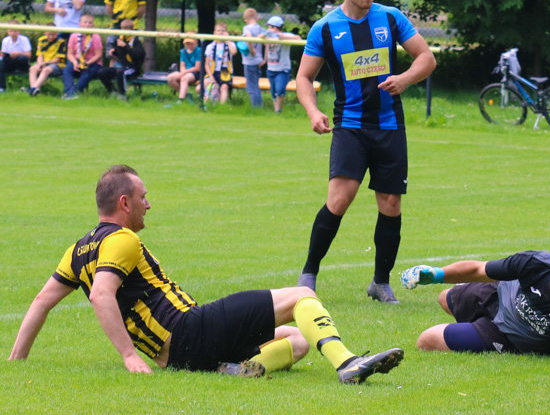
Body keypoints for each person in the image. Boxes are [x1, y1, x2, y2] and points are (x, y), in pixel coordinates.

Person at [8, 165, 404, 384]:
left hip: (174, 358)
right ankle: (347, 363)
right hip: (190, 330)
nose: (149, 204)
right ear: (124, 202)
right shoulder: (123, 239)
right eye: (143, 197)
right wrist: (128, 356)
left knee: (299, 340)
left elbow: (42, 302)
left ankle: (236, 370)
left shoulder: (78, 250)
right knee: (301, 296)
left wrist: (17, 359)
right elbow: (101, 295)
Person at [294, 0, 437, 303]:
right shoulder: (325, 28)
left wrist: (404, 78)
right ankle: (308, 273)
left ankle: (380, 282)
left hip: (389, 125)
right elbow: (303, 78)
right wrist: (312, 110)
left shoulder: (390, 18)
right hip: (350, 126)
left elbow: (427, 58)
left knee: (390, 203)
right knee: (339, 199)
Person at [399, 235, 550, 375]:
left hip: (504, 336)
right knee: (445, 298)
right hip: (496, 295)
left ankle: (474, 332)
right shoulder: (533, 262)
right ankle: (468, 324)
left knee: (427, 339)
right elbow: (478, 269)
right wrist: (437, 274)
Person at [96, 18, 144, 99]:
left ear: (132, 29)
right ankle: (112, 91)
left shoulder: (135, 41)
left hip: (131, 68)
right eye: (123, 29)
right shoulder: (121, 39)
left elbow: (138, 56)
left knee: (120, 72)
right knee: (101, 72)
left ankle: (123, 95)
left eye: (126, 29)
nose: (124, 31)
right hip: (120, 66)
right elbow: (119, 52)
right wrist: (114, 51)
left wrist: (125, 46)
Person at [263, 15, 301, 114]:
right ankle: (277, 111)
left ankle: (279, 110)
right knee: (273, 91)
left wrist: (281, 36)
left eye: (269, 26)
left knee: (280, 90)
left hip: (282, 69)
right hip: (271, 68)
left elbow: (298, 38)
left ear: (274, 27)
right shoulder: (268, 36)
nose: (268, 29)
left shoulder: (285, 35)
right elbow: (262, 40)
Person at [61, 13, 104, 99]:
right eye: (85, 22)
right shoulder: (74, 36)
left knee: (87, 73)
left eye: (90, 23)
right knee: (67, 70)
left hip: (92, 62)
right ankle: (69, 91)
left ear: (93, 25)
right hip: (77, 60)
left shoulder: (96, 37)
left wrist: (87, 63)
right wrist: (74, 62)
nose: (87, 25)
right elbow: (70, 53)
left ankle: (74, 92)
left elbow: (98, 55)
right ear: (80, 24)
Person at [24, 25, 67, 96]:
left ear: (56, 33)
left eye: (53, 34)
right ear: (44, 32)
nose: (50, 37)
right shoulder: (41, 40)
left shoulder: (61, 42)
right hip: (44, 62)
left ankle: (33, 89)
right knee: (33, 68)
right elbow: (40, 55)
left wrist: (45, 63)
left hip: (57, 64)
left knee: (46, 70)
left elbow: (57, 59)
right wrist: (40, 63)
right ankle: (35, 91)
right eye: (49, 34)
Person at [202, 21, 237, 105]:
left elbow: (234, 52)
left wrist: (228, 40)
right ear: (214, 33)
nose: (220, 32)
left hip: (225, 72)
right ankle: (208, 103)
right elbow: (206, 64)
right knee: (203, 85)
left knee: (224, 87)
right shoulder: (210, 46)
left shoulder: (230, 44)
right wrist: (211, 76)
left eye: (223, 31)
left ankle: (221, 106)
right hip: (213, 72)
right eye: (218, 30)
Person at [240, 8, 265, 108]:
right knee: (256, 86)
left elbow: (249, 38)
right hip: (258, 60)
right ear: (257, 18)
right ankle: (259, 106)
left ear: (245, 19)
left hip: (250, 61)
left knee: (251, 87)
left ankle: (255, 107)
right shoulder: (260, 28)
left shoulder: (247, 28)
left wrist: (251, 50)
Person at [166, 37, 202, 105]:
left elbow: (197, 67)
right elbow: (182, 65)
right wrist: (183, 72)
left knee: (184, 78)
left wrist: (185, 72)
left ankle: (180, 100)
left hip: (195, 73)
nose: (189, 45)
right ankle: (186, 95)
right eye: (187, 44)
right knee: (170, 78)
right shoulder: (183, 51)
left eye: (191, 43)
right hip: (185, 71)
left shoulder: (199, 51)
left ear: (196, 42)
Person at [0, 21, 32, 92]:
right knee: (1, 64)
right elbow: (4, 55)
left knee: (23, 58)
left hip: (21, 62)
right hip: (9, 62)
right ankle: (2, 87)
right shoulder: (5, 40)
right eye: (10, 31)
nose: (12, 33)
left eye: (14, 31)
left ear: (19, 31)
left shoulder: (24, 39)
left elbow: (29, 55)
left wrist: (19, 53)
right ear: (7, 31)